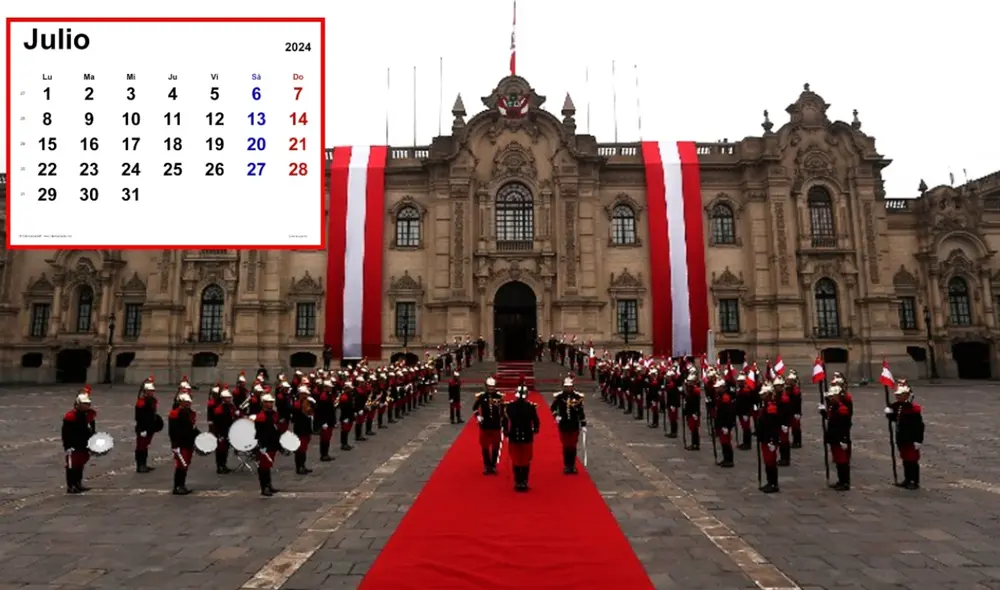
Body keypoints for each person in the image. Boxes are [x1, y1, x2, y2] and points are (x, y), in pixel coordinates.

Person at [885, 380, 924, 490]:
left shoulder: (913, 409)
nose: (898, 397)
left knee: (912, 460)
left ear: (906, 395)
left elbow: (919, 426)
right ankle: (907, 479)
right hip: (901, 437)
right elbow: (896, 419)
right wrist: (889, 414)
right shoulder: (898, 406)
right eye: (897, 395)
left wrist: (918, 440)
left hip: (911, 438)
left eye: (900, 395)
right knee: (905, 459)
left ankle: (914, 481)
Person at [503, 385, 541, 491]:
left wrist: (536, 428)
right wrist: (505, 430)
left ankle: (523, 481)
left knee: (525, 459)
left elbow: (535, 420)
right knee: (516, 459)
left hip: (526, 436)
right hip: (515, 435)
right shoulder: (510, 407)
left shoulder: (530, 407)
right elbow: (505, 420)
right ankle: (518, 481)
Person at [62, 391, 97, 494]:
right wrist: (68, 446)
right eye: (84, 404)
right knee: (72, 465)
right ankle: (71, 485)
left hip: (84, 443)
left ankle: (78, 483)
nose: (87, 406)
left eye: (88, 404)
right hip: (74, 444)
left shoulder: (89, 415)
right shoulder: (70, 416)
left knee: (80, 465)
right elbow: (66, 433)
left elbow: (92, 429)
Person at [550, 377, 586, 474]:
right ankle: (567, 465)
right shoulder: (559, 397)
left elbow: (581, 411)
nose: (568, 388)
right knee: (566, 446)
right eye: (567, 387)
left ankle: (572, 465)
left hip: (574, 424)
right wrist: (556, 416)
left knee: (573, 446)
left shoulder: (578, 397)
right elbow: (553, 408)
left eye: (570, 386)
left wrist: (583, 423)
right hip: (564, 424)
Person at [821, 384, 853, 491]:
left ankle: (845, 482)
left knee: (842, 460)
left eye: (832, 396)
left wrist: (844, 439)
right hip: (833, 437)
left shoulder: (842, 408)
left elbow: (845, 425)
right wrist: (823, 412)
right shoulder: (833, 406)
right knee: (838, 460)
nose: (830, 398)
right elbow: (831, 418)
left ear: (838, 396)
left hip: (840, 438)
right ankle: (840, 480)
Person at [471, 377, 505, 475]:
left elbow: (503, 410)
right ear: (486, 387)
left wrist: (503, 421)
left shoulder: (499, 396)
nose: (491, 388)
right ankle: (487, 465)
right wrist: (478, 417)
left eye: (493, 386)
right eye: (489, 386)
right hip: (485, 425)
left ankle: (493, 465)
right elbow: (474, 408)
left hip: (495, 425)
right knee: (485, 447)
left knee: (496, 446)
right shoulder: (481, 397)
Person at [168, 393, 199, 495]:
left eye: (189, 402)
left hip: (188, 442)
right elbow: (173, 431)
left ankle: (182, 485)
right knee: (181, 465)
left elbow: (192, 428)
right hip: (180, 443)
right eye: (186, 402)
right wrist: (175, 445)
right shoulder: (175, 414)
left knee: (186, 464)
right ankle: (177, 486)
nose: (188, 404)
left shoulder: (190, 413)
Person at [254, 393, 281, 496]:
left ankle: (269, 485)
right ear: (263, 403)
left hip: (272, 443)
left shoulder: (273, 414)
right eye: (268, 402)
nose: (270, 404)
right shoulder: (261, 416)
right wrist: (261, 446)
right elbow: (260, 433)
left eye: (271, 402)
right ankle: (264, 487)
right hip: (264, 444)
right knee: (263, 467)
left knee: (268, 465)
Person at [757, 382, 780, 493]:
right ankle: (769, 482)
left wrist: (773, 440)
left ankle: (773, 483)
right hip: (765, 438)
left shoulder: (771, 407)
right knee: (767, 461)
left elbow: (773, 425)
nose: (761, 396)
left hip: (769, 439)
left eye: (764, 394)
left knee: (771, 462)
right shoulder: (765, 406)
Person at [134, 379, 160, 473]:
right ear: (146, 391)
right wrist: (143, 429)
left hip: (149, 427)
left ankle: (144, 464)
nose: (152, 392)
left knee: (145, 447)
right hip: (143, 428)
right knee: (141, 447)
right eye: (150, 391)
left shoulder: (152, 400)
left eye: (153, 391)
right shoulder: (141, 402)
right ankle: (140, 465)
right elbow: (139, 417)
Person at [210, 388, 237, 474]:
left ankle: (224, 465)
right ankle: (219, 466)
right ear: (223, 398)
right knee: (220, 450)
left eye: (230, 397)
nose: (229, 399)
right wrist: (219, 434)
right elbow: (217, 423)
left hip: (228, 431)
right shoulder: (219, 409)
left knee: (226, 449)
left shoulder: (231, 406)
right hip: (221, 432)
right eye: (227, 397)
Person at [291, 386, 315, 475]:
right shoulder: (297, 403)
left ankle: (303, 465)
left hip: (306, 427)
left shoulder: (307, 402)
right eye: (304, 394)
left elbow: (311, 412)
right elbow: (299, 414)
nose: (306, 396)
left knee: (304, 448)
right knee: (300, 449)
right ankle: (299, 467)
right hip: (300, 428)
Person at [713, 377, 736, 468]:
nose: (716, 389)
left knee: (726, 442)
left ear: (723, 387)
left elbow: (728, 413)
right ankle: (725, 459)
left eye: (718, 387)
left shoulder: (725, 398)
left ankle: (729, 460)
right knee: (723, 442)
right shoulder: (720, 396)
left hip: (725, 424)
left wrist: (726, 425)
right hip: (721, 423)